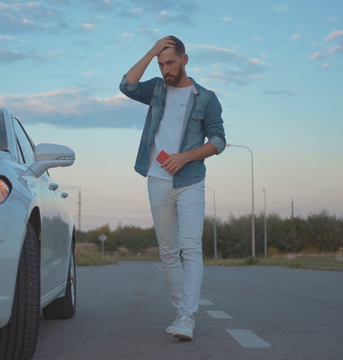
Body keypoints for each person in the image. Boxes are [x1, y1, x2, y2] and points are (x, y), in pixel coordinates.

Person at [119, 35, 226, 341]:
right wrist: (152, 50)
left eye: (170, 62)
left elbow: (218, 140)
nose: (166, 69)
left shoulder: (206, 98)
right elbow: (126, 86)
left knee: (190, 247)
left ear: (184, 59)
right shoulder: (155, 89)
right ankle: (182, 311)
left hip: (190, 179)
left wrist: (185, 157)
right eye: (161, 63)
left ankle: (186, 317)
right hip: (156, 178)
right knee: (168, 251)